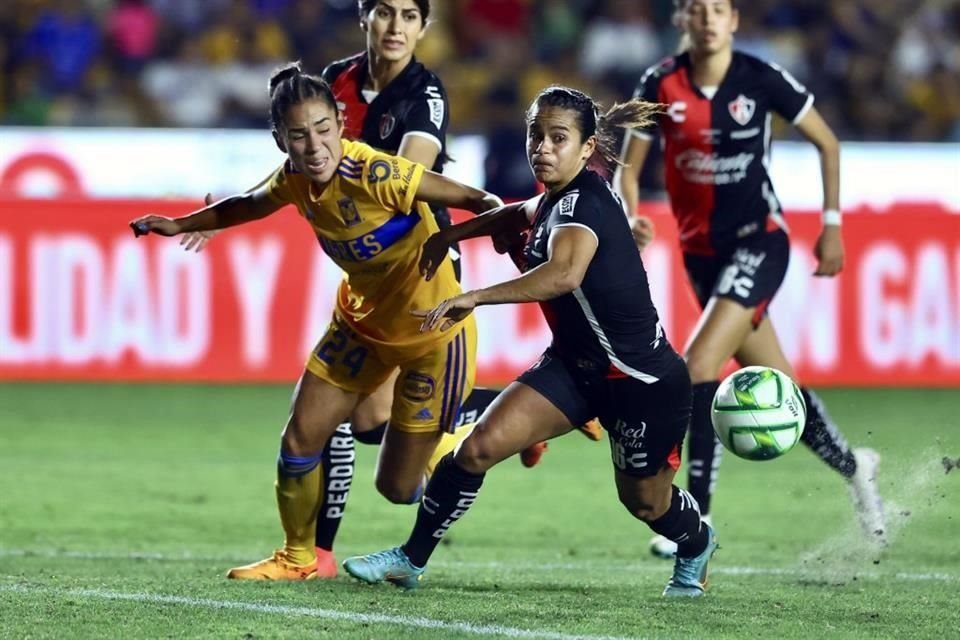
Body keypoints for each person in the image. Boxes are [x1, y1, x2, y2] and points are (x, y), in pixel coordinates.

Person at [130, 62, 506, 580]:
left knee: (398, 489)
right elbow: (247, 205)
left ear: (341, 123)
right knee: (300, 437)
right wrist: (181, 224)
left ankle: (489, 419)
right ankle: (299, 557)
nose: (315, 146)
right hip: (362, 326)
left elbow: (476, 198)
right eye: (300, 135)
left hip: (432, 332)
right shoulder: (294, 179)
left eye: (324, 130)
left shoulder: (374, 172)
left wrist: (476, 231)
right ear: (281, 140)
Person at [342, 85, 719, 598]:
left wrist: (474, 296)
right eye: (535, 135)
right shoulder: (556, 199)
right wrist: (449, 236)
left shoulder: (585, 203)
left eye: (557, 138)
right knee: (475, 451)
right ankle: (409, 560)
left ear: (587, 149)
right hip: (574, 368)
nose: (541, 147)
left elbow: (563, 274)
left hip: (641, 383)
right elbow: (518, 214)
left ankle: (696, 542)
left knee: (646, 503)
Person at [615, 0, 885, 559]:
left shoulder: (760, 79)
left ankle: (697, 517)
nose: (709, 19)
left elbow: (827, 142)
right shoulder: (660, 83)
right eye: (698, 9)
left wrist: (832, 226)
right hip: (702, 254)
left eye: (719, 9)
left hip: (760, 239)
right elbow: (627, 168)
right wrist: (630, 216)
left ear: (734, 19)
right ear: (681, 20)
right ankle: (855, 467)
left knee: (698, 366)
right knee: (776, 380)